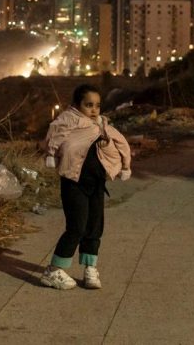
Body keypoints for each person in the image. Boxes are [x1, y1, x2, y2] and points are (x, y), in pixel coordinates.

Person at [39, 83, 132, 290]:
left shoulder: (101, 125)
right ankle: (54, 270)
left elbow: (121, 142)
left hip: (96, 183)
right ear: (77, 104)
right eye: (88, 105)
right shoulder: (69, 120)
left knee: (94, 227)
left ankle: (90, 267)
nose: (93, 109)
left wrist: (125, 166)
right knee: (77, 227)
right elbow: (54, 133)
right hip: (74, 182)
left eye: (97, 105)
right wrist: (51, 154)